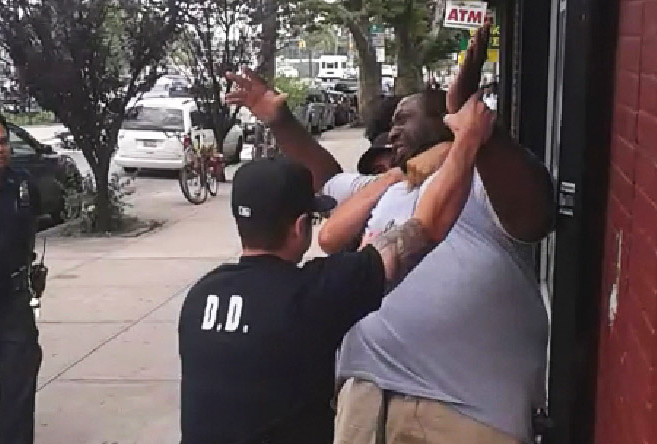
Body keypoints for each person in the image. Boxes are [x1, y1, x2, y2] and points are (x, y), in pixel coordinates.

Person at [226, 21, 555, 444]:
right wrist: (281, 120)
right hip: (367, 399)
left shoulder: (481, 183)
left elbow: (534, 216)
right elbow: (325, 179)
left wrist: (479, 138)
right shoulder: (385, 186)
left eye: (406, 119)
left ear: (448, 122)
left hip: (463, 410)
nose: (393, 131)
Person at [177, 94, 496, 444]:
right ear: (300, 228)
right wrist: (468, 140)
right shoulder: (313, 295)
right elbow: (426, 228)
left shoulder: (200, 297)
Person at [0, 112, 43, 444]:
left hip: (13, 303)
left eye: (3, 142)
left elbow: (30, 231)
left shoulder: (21, 184)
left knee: (19, 390)